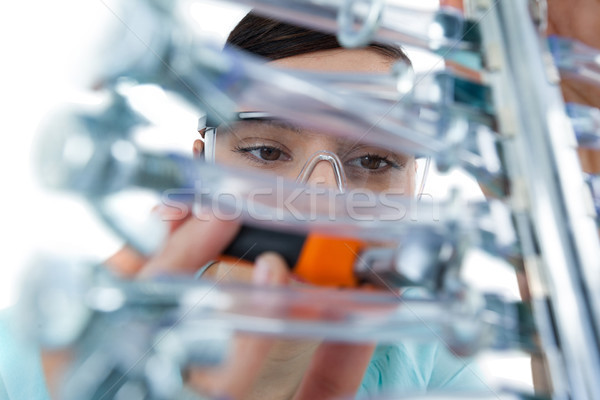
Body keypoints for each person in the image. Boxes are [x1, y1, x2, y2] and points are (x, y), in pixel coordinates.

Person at [3, 1, 600, 399]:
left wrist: (571, 165)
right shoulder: (40, 355)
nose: (317, 199)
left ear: (418, 189)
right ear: (198, 167)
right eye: (265, 153)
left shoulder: (430, 361)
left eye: (372, 161)